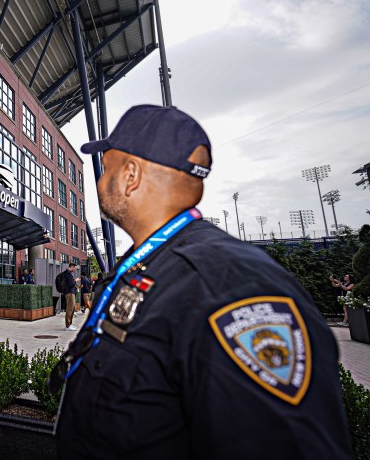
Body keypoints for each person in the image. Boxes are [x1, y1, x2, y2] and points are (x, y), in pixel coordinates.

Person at [52, 105, 352, 458]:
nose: (100, 181)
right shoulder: (149, 270)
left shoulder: (228, 287)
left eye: (106, 168)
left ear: (130, 175)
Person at [62, 262, 79, 331]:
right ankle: (68, 325)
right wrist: (75, 281)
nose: (75, 269)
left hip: (70, 293)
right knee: (70, 309)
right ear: (72, 266)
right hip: (69, 293)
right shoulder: (68, 274)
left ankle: (69, 324)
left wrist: (73, 280)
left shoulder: (67, 273)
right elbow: (71, 284)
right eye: (75, 268)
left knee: (72, 308)